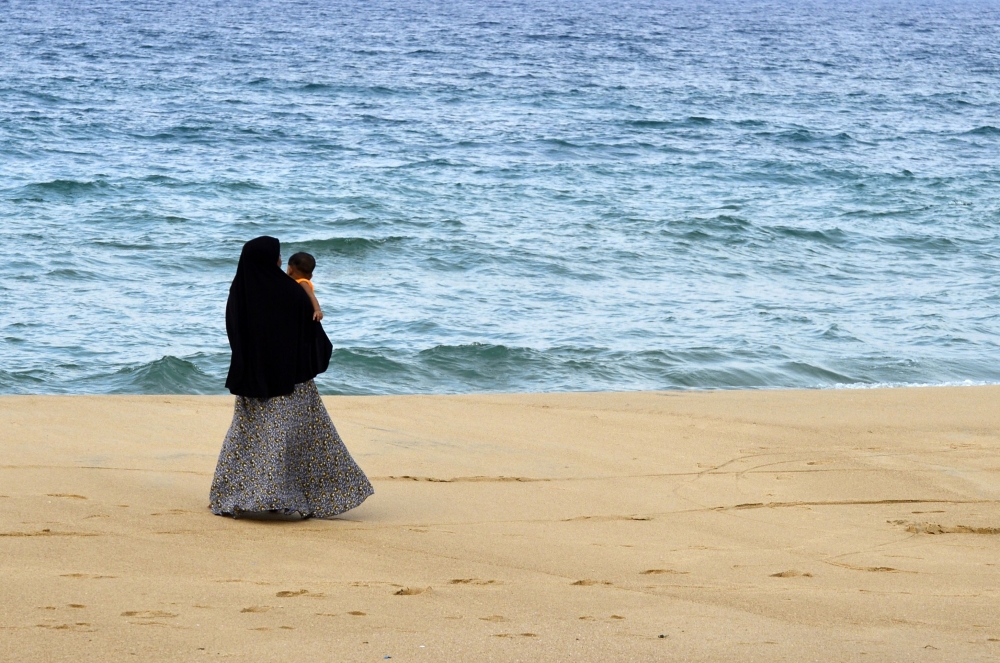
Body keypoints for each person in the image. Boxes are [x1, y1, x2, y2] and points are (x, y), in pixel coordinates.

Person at [209, 236, 373, 520]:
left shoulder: (240, 290)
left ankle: (236, 495)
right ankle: (284, 497)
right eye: (278, 256)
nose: (280, 261)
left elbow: (235, 333)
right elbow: (313, 337)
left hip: (251, 381)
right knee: (293, 440)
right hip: (290, 383)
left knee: (248, 439)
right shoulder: (291, 292)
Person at [286, 251, 323, 321]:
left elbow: (311, 296)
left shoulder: (302, 282)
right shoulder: (299, 282)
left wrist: (317, 310)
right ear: (310, 276)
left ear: (290, 270)